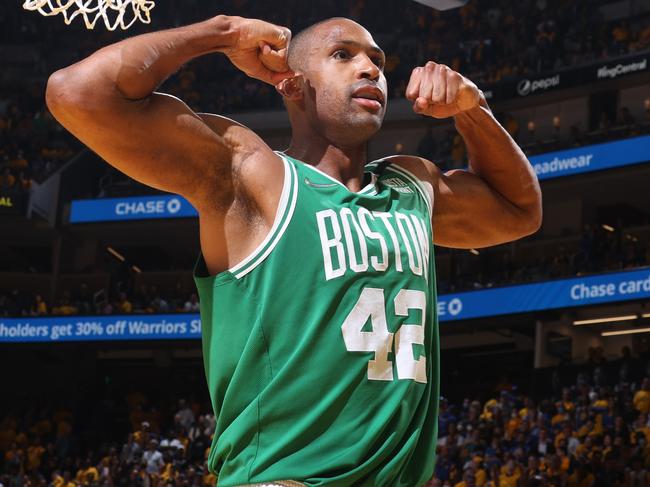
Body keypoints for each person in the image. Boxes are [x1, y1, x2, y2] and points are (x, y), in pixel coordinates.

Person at [46, 14, 542, 487]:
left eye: (377, 60)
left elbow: (520, 211)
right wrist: (223, 33)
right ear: (292, 84)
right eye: (343, 55)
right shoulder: (252, 175)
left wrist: (472, 111)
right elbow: (77, 93)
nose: (370, 68)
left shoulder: (412, 186)